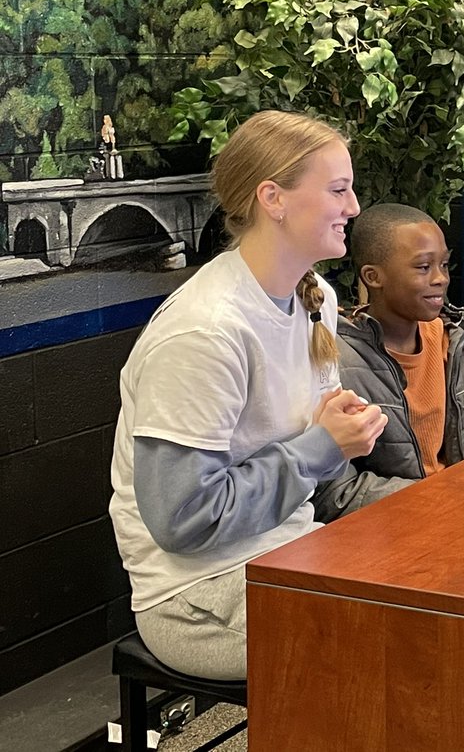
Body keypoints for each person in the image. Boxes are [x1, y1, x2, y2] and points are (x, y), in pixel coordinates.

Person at [109, 110, 390, 680]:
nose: (355, 207)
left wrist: (336, 433)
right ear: (273, 198)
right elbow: (184, 521)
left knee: (439, 596)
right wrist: (320, 447)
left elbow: (311, 457)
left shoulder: (317, 299)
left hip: (290, 547)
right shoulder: (204, 333)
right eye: (338, 189)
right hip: (193, 599)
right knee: (396, 650)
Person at [312, 202, 464, 515]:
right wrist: (437, 498)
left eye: (444, 265)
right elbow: (335, 491)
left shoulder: (454, 342)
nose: (441, 278)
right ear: (373, 277)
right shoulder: (337, 363)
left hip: (462, 508)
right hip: (395, 522)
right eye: (423, 267)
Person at [101, 114, 123, 180]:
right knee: (109, 161)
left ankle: (118, 175)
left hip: (113, 147)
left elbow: (113, 137)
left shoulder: (112, 128)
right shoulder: (104, 128)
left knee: (116, 159)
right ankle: (110, 175)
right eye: (104, 119)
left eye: (106, 119)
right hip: (108, 147)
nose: (105, 121)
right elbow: (105, 138)